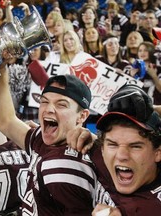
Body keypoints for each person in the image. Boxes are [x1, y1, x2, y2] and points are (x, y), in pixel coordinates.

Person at [0, 64, 97, 215]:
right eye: (44, 101)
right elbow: (5, 120)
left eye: (61, 104)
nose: (48, 109)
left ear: (82, 116)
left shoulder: (66, 167)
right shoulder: (45, 138)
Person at [68, 84, 161, 215]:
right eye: (113, 144)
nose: (121, 156)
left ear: (158, 153)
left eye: (135, 146)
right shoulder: (97, 153)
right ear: (102, 147)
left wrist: (154, 109)